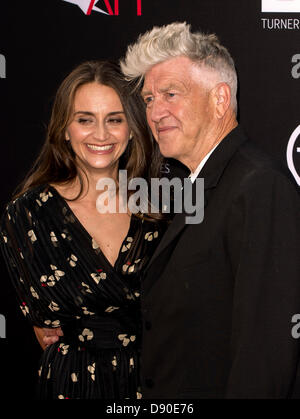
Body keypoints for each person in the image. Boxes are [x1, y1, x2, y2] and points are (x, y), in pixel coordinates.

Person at [119, 22, 300, 398]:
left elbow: (264, 349)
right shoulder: (203, 184)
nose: (155, 112)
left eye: (171, 93)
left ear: (219, 99)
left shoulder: (258, 186)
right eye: (149, 99)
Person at [0, 60, 165, 399]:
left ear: (133, 128)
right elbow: (43, 322)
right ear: (64, 128)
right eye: (85, 119)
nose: (101, 134)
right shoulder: (28, 215)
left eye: (114, 120)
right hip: (72, 385)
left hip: (157, 379)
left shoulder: (162, 209)